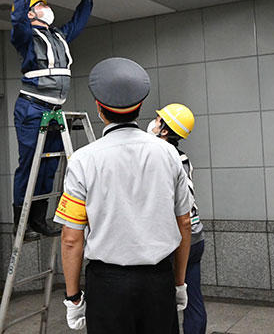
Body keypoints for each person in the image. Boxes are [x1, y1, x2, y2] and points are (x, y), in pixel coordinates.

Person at [53, 57, 192, 333]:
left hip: (107, 286)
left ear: (99, 108)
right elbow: (184, 223)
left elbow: (71, 238)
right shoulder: (168, 154)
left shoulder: (83, 160)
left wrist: (73, 298)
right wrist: (179, 283)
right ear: (139, 107)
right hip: (158, 281)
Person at [10, 0, 93, 236]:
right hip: (32, 108)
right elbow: (17, 18)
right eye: (40, 5)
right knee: (31, 163)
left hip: (54, 111)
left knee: (48, 164)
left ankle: (37, 219)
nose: (46, 7)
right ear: (31, 12)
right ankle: (20, 221)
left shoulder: (58, 35)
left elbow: (79, 21)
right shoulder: (26, 36)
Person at [147, 104, 207, 334]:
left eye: (158, 119)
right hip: (196, 236)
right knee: (192, 300)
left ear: (164, 131)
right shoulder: (182, 157)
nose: (153, 122)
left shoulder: (159, 159)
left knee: (165, 301)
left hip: (176, 240)